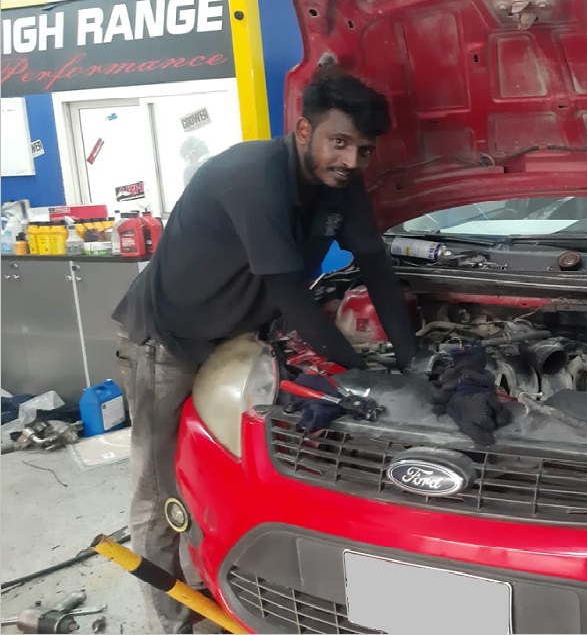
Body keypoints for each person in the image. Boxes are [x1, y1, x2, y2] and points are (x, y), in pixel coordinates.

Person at [111, 66, 418, 633]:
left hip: (236, 339)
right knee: (159, 489)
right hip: (167, 341)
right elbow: (290, 295)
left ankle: (223, 588)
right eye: (339, 142)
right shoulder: (252, 177)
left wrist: (411, 361)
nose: (350, 160)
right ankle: (172, 622)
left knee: (223, 473)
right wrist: (363, 378)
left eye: (363, 150)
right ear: (303, 131)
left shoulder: (341, 183)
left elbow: (376, 266)